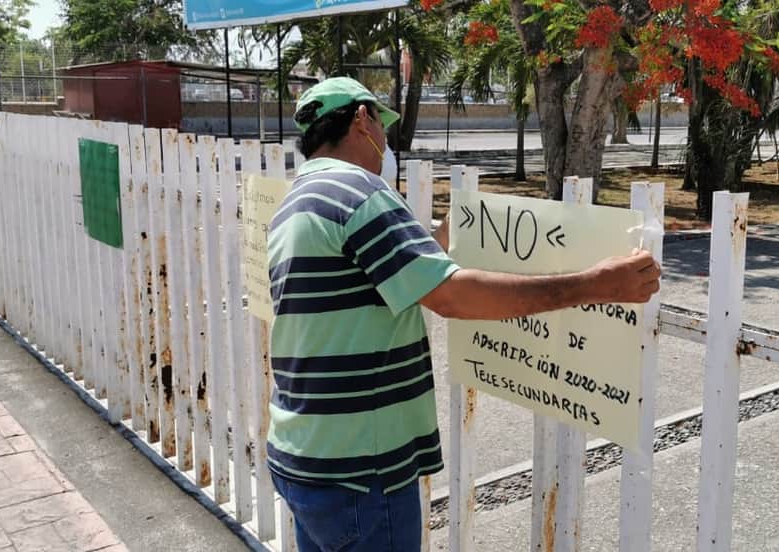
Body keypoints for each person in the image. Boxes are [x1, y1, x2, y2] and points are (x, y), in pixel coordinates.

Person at [267, 77, 660, 552]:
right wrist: (595, 285)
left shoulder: (298, 200)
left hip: (302, 457)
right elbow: (451, 297)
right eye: (383, 130)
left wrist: (450, 233)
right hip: (359, 471)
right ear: (361, 120)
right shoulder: (359, 193)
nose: (385, 147)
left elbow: (382, 280)